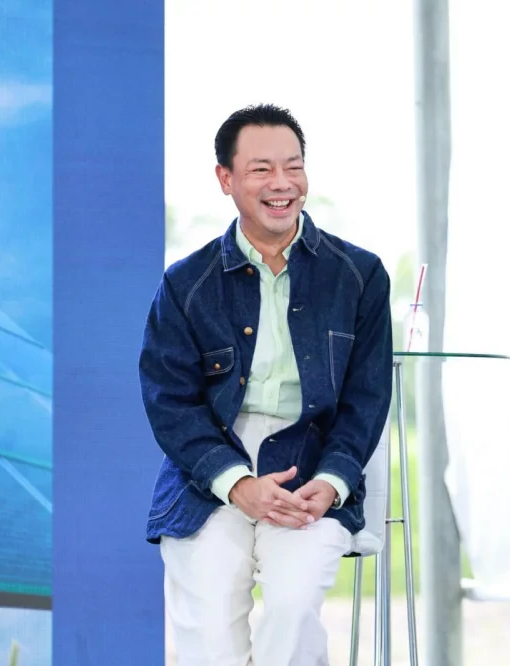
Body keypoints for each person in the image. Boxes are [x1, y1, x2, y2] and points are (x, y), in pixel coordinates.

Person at [138, 103, 393, 666]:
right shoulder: (186, 283)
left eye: (293, 166)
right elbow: (169, 401)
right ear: (225, 178)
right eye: (261, 169)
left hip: (312, 465)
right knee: (208, 630)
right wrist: (235, 483)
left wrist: (333, 480)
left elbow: (367, 399)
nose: (282, 183)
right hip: (209, 467)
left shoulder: (360, 275)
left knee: (292, 612)